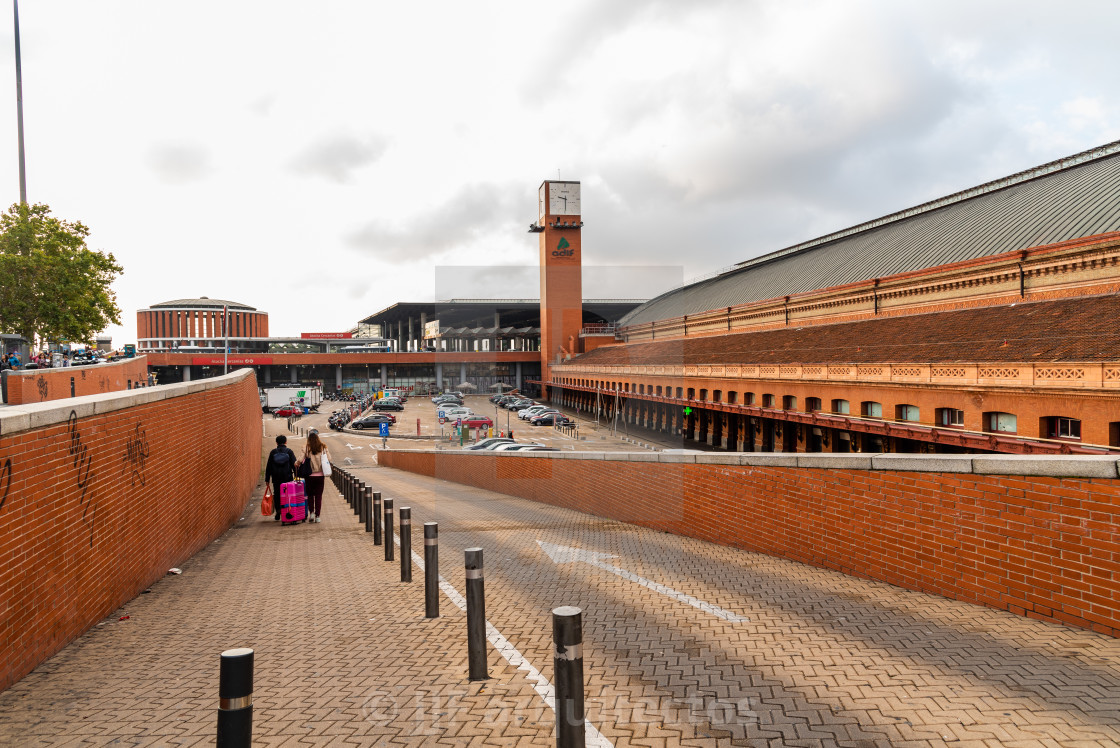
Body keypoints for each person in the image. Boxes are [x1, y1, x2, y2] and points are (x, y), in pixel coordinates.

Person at [297, 430, 331, 523]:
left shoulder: (306, 447)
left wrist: (296, 463)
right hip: (320, 475)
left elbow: (300, 459)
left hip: (309, 476)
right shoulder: (323, 447)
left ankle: (311, 512)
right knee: (319, 496)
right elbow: (329, 458)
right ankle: (318, 516)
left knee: (310, 495)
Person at [264, 434, 297, 521]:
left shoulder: (273, 452)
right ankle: (287, 511)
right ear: (286, 442)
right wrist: (297, 475)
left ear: (276, 443)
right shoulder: (289, 451)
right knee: (288, 495)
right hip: (288, 477)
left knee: (277, 494)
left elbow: (269, 466)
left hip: (276, 478)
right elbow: (294, 465)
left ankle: (278, 511)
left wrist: (267, 479)